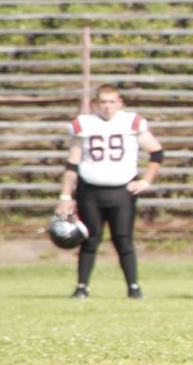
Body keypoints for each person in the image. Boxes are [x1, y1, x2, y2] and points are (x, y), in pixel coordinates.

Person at [57, 84, 162, 300]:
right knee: (89, 239)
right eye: (103, 102)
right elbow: (72, 164)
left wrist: (146, 181)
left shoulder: (132, 122)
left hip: (121, 190)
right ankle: (82, 287)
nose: (107, 106)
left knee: (123, 239)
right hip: (90, 191)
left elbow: (157, 152)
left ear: (120, 102)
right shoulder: (83, 124)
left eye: (112, 101)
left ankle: (133, 287)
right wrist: (66, 196)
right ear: (95, 103)